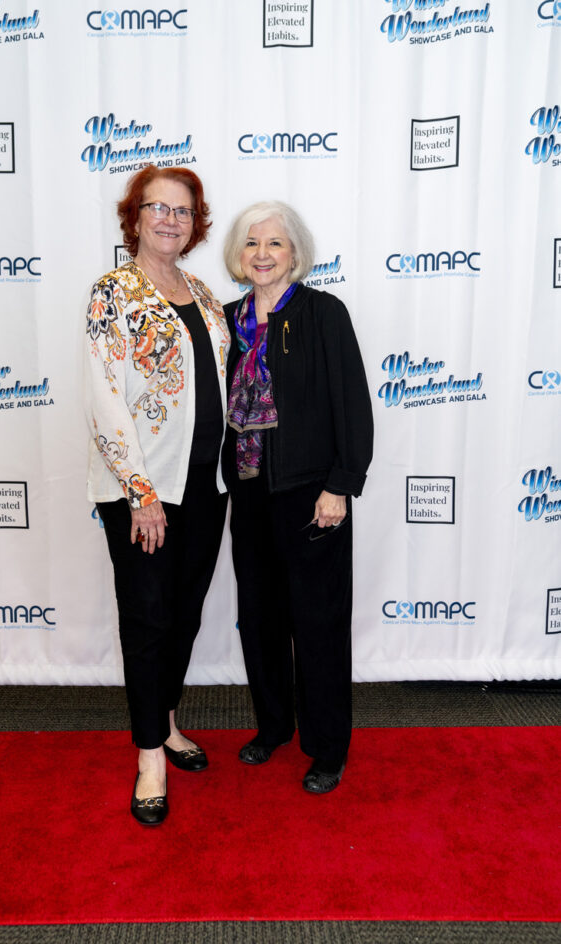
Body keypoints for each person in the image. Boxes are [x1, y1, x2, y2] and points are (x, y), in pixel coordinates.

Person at [85, 165, 229, 825]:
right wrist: (140, 493)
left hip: (206, 485)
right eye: (158, 208)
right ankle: (149, 756)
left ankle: (166, 723)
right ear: (135, 218)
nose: (171, 220)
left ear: (194, 224)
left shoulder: (203, 294)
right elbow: (105, 399)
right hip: (143, 491)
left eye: (183, 211)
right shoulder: (112, 292)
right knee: (147, 620)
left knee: (184, 613)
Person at [222, 201, 373, 794]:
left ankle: (328, 746)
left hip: (313, 495)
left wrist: (341, 484)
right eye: (252, 243)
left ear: (295, 254)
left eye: (274, 244)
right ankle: (273, 727)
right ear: (239, 255)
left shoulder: (323, 313)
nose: (262, 254)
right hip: (249, 493)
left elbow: (351, 404)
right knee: (260, 620)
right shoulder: (227, 321)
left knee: (318, 624)